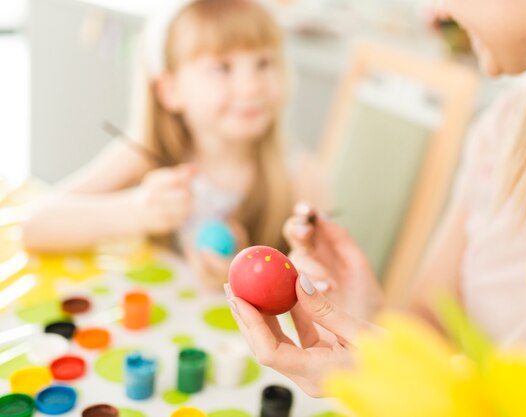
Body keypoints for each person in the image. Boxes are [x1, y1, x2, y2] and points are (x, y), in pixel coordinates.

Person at [226, 0, 526, 396]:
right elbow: (431, 322)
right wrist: (365, 322)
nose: (435, 7)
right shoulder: (502, 130)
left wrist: (392, 378)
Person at [23, 0, 324, 289]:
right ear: (170, 89)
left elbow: (323, 288)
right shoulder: (144, 153)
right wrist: (136, 211)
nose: (251, 86)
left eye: (264, 63)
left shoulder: (300, 174)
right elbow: (35, 225)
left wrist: (247, 274)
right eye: (222, 67)